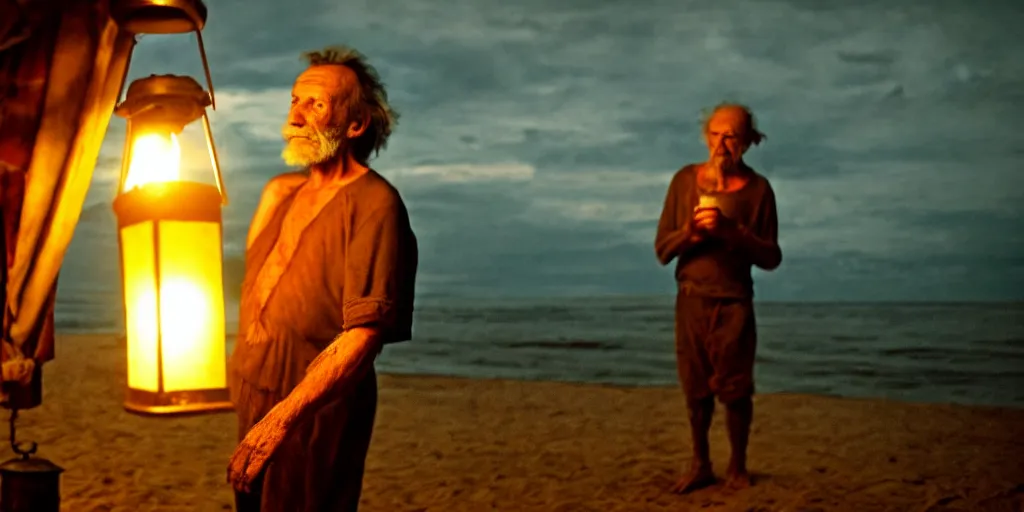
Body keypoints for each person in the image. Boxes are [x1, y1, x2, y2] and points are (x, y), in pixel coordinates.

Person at [226, 45, 418, 512]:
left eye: (316, 104)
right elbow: (256, 292)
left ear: (355, 125)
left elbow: (363, 336)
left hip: (315, 408)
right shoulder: (278, 192)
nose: (297, 114)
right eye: (295, 100)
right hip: (254, 387)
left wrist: (282, 420)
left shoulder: (376, 203)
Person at [654, 103, 781, 493]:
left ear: (747, 142)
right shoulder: (684, 182)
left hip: (735, 302)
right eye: (716, 134)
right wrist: (690, 234)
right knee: (695, 389)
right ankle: (700, 463)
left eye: (732, 136)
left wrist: (733, 232)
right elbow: (662, 250)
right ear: (705, 136)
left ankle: (738, 466)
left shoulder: (758, 190)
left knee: (736, 390)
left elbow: (772, 257)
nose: (722, 144)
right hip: (691, 298)